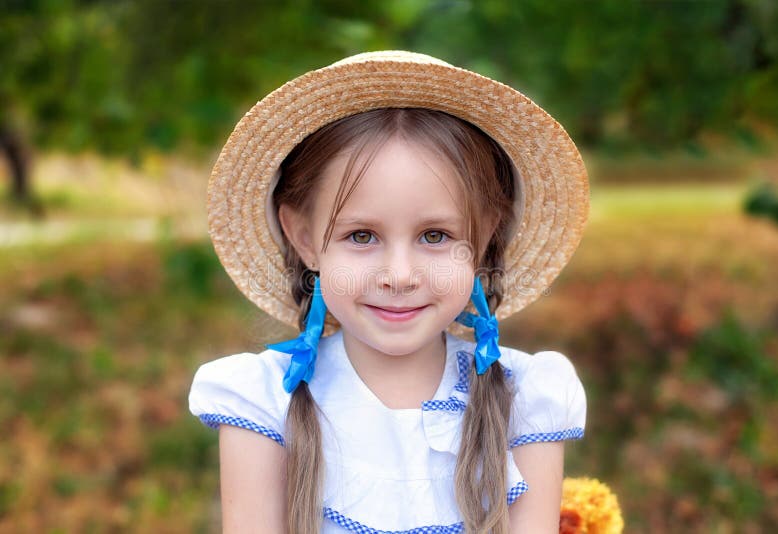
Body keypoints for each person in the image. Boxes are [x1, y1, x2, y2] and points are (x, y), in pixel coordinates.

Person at [188, 51, 589, 534]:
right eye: (361, 236)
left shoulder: (525, 399)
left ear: (485, 234)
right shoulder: (265, 403)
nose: (399, 275)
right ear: (303, 238)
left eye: (435, 236)